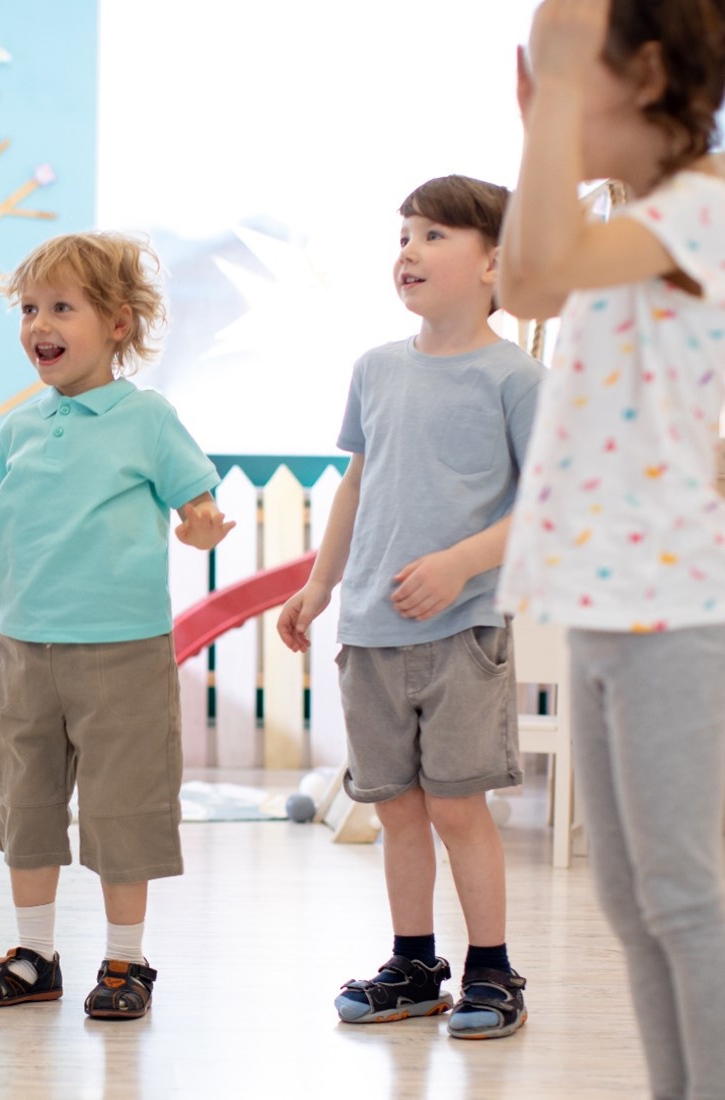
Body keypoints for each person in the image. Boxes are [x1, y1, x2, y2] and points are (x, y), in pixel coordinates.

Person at [0, 232, 229, 1020]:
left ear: (118, 323)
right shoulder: (20, 430)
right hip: (24, 649)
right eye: (31, 308)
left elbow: (196, 505)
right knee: (25, 803)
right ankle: (35, 955)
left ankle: (126, 963)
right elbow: (3, 540)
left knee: (123, 806)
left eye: (62, 307)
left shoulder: (147, 419)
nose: (41, 322)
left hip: (122, 650)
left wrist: (203, 527)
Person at [498, 0, 725, 1090]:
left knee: (681, 896)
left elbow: (531, 274)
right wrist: (547, 106)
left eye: (565, 68)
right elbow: (526, 277)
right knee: (636, 901)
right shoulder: (639, 225)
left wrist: (545, 108)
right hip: (612, 599)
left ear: (640, 72)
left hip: (675, 605)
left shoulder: (702, 207)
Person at [277, 175, 543, 1040]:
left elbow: (545, 503)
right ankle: (414, 963)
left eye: (434, 236)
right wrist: (321, 586)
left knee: (461, 808)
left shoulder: (518, 377)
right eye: (404, 235)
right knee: (394, 808)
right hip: (371, 631)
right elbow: (359, 483)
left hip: (463, 631)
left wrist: (460, 563)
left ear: (495, 261)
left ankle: (493, 971)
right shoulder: (376, 369)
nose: (409, 252)